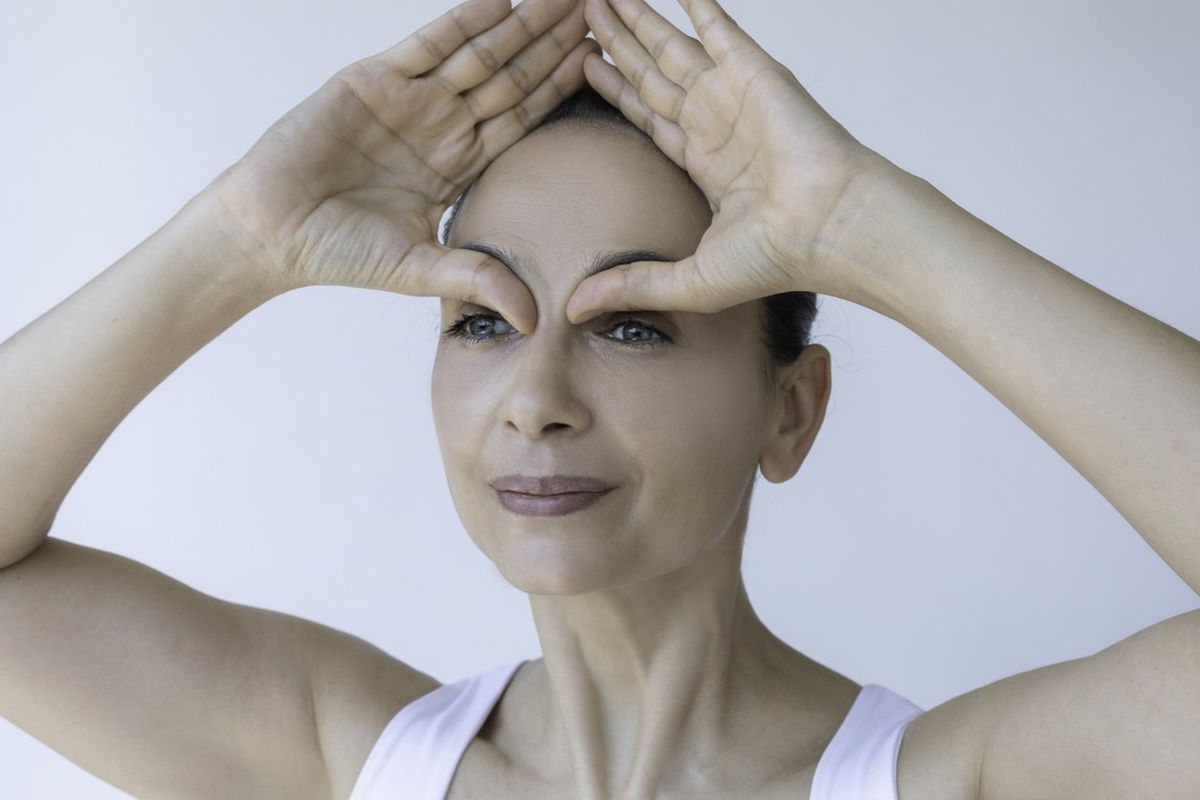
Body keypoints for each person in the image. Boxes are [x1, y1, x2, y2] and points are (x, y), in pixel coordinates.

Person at [0, 0, 1197, 797]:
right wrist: (241, 235)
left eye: (632, 324)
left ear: (793, 410)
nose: (535, 396)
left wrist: (868, 232)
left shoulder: (957, 780)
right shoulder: (346, 762)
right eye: (482, 318)